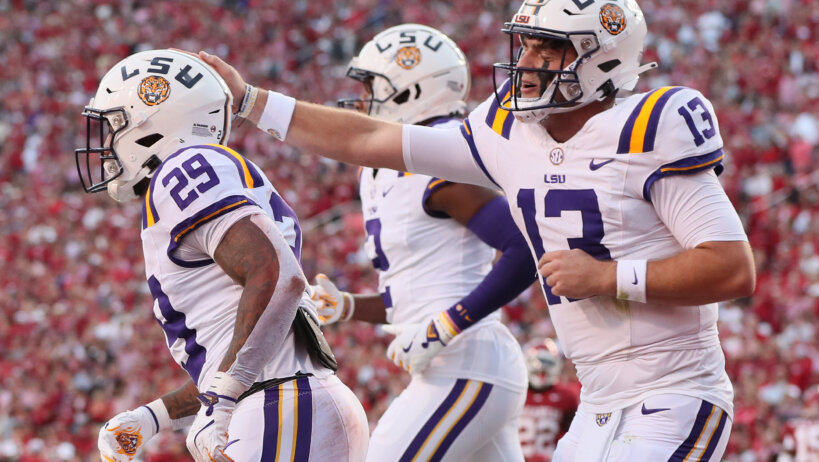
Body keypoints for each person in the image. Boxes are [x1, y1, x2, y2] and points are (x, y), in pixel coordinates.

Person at [198, 0, 757, 459]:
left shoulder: (649, 126)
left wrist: (610, 276)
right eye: (528, 44)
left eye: (550, 47)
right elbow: (369, 140)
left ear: (602, 60)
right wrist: (254, 102)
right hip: (597, 402)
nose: (529, 60)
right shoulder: (507, 130)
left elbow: (731, 266)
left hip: (675, 393)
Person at [77, 49, 368, 462]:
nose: (106, 142)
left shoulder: (183, 165)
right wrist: (155, 417)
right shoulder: (207, 170)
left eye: (114, 125)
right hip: (292, 403)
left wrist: (223, 398)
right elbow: (247, 345)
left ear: (150, 124)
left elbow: (278, 276)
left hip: (280, 407)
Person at [311, 24, 535, 461]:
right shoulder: (386, 169)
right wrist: (350, 307)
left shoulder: (436, 156)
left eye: (373, 86)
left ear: (411, 91)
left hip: (466, 364)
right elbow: (414, 295)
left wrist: (445, 326)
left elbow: (525, 247)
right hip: (460, 368)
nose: (361, 100)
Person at [518, 338, 579, 462]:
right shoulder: (517, 394)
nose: (541, 369)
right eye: (537, 363)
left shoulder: (566, 396)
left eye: (547, 363)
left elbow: (573, 436)